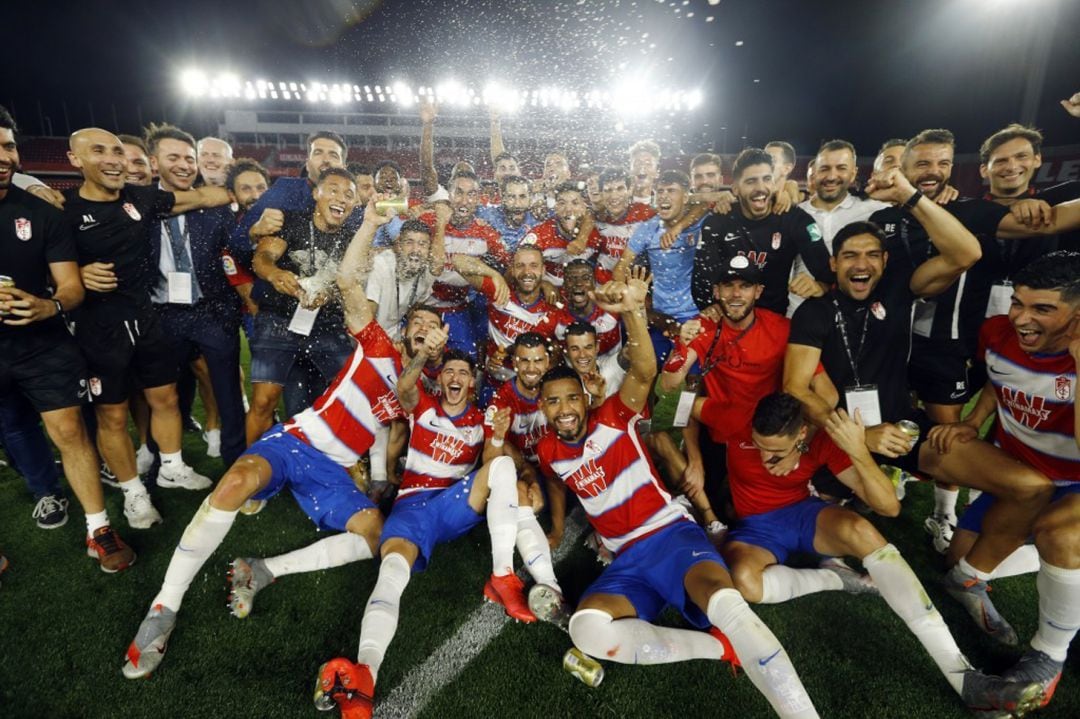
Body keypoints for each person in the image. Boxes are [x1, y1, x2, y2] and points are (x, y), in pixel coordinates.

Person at [121, 206, 440, 679]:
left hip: (331, 471)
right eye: (421, 324)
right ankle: (163, 607)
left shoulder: (420, 387)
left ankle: (264, 568)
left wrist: (427, 359)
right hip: (297, 441)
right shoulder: (377, 344)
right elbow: (350, 280)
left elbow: (404, 392)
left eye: (434, 329)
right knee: (233, 485)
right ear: (408, 326)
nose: (425, 330)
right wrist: (370, 223)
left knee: (379, 538)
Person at [533, 272, 819, 719]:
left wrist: (632, 311)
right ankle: (717, 649)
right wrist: (555, 526)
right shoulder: (547, 449)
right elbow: (554, 481)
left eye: (572, 398)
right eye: (553, 402)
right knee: (586, 629)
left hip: (670, 536)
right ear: (542, 407)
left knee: (728, 606)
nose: (565, 409)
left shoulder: (613, 415)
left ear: (586, 399)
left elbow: (646, 370)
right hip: (626, 559)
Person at [700, 393, 1046, 715]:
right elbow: (687, 405)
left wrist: (859, 451)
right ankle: (835, 578)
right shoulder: (736, 417)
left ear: (801, 433)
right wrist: (692, 461)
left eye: (776, 451)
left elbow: (889, 507)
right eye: (759, 447)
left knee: (862, 531)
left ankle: (963, 676)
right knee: (744, 582)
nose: (764, 458)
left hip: (804, 514)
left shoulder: (819, 440)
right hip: (755, 528)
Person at [314, 331, 553, 718]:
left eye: (463, 372)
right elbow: (405, 385)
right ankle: (365, 678)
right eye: (450, 371)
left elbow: (492, 466)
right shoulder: (423, 405)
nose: (456, 377)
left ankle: (503, 576)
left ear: (472, 383)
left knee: (504, 464)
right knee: (392, 571)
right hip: (411, 506)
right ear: (440, 379)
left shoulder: (480, 418)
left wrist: (495, 436)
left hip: (454, 505)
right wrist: (424, 353)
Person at [926, 252, 1079, 712]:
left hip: (1074, 483)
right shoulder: (997, 332)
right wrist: (974, 420)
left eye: (1042, 309)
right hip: (1020, 475)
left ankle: (1048, 656)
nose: (1022, 319)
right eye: (1018, 303)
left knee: (1060, 534)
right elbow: (999, 380)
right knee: (958, 566)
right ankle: (986, 573)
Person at [64, 127, 230, 524]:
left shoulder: (140, 198)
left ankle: (171, 467)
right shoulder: (63, 211)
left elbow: (202, 195)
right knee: (113, 416)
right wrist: (76, 275)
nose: (112, 159)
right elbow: (44, 267)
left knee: (166, 398)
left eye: (117, 151)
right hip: (100, 328)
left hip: (147, 318)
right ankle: (133, 491)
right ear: (75, 160)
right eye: (98, 151)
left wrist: (241, 192)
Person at [0, 110, 134, 570]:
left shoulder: (42, 212)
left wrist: (49, 305)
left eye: (9, 147)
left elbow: (71, 286)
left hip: (42, 342)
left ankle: (98, 529)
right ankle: (45, 491)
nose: (5, 157)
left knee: (71, 432)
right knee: (15, 428)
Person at [145, 123, 246, 468]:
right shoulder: (136, 205)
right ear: (153, 162)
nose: (185, 165)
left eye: (189, 158)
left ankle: (235, 462)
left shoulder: (216, 206)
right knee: (161, 395)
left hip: (212, 312)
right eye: (173, 157)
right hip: (162, 314)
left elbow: (237, 254)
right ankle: (161, 463)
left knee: (228, 394)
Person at [246, 167, 362, 440]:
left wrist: (330, 294)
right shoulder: (292, 222)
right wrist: (274, 274)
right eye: (333, 190)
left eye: (349, 194)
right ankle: (251, 469)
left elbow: (353, 285)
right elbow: (261, 259)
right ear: (316, 194)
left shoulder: (353, 239)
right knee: (264, 401)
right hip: (279, 319)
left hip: (325, 324)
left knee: (349, 393)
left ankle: (341, 465)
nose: (341, 198)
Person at [693, 148, 831, 319]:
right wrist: (710, 306)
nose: (760, 188)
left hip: (773, 319)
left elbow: (827, 271)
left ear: (773, 183)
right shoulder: (718, 222)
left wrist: (822, 286)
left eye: (766, 179)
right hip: (729, 318)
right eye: (751, 181)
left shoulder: (796, 220)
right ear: (735, 188)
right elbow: (702, 278)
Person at [613, 170, 706, 361]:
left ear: (686, 196)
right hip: (660, 316)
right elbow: (621, 268)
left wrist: (679, 227)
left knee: (691, 376)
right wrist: (633, 300)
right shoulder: (648, 228)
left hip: (695, 315)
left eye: (671, 190)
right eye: (660, 191)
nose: (664, 195)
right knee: (648, 370)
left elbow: (716, 201)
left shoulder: (701, 221)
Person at [594, 168, 656, 284]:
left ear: (630, 190)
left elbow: (686, 203)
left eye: (620, 188)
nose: (614, 195)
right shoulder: (596, 219)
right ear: (601, 194)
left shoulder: (645, 214)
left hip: (634, 288)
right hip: (601, 286)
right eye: (608, 190)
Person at [629, 139, 661, 207]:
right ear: (630, 170)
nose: (642, 167)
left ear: (657, 172)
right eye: (637, 163)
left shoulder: (664, 206)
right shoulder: (618, 204)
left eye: (648, 163)